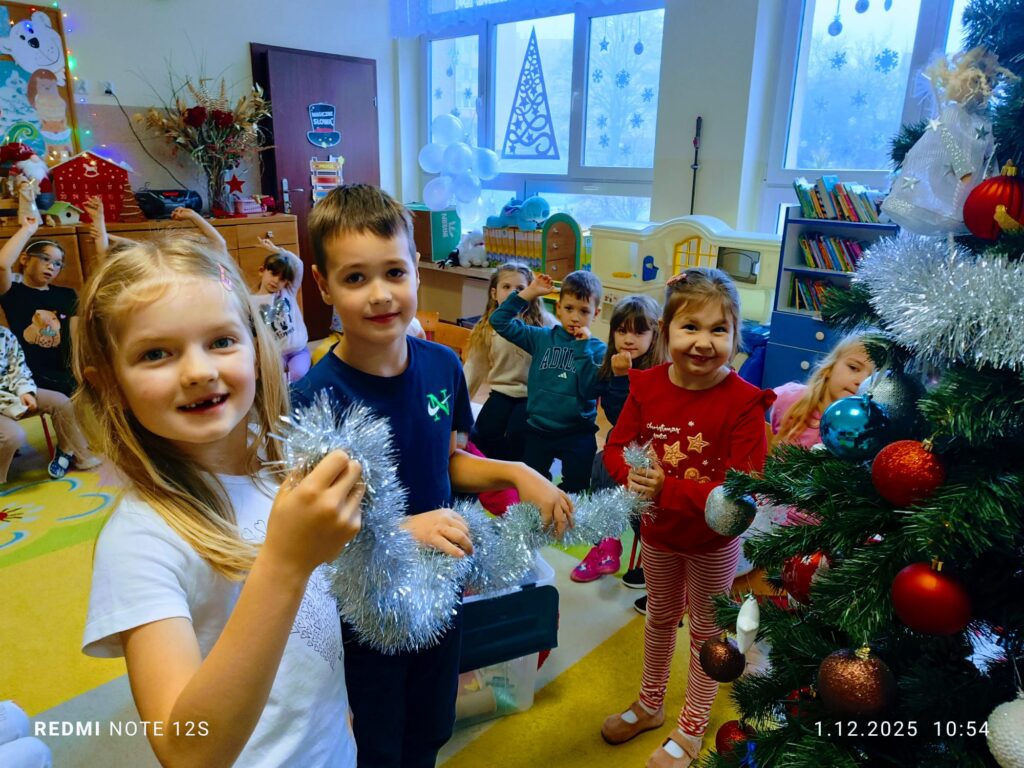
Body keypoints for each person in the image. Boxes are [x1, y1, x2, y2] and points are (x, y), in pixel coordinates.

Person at [292, 183, 573, 768]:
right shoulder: (314, 398)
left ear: (416, 269)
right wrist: (400, 532)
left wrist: (518, 473)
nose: (380, 295)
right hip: (366, 608)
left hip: (441, 590)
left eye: (394, 272)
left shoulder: (443, 365)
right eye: (354, 278)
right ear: (322, 286)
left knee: (431, 726)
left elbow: (447, 462)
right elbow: (310, 534)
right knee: (379, 739)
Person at [79, 237, 364, 767]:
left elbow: (310, 632)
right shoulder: (140, 542)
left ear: (256, 347)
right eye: (156, 353)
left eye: (221, 341)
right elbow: (188, 751)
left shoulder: (282, 460)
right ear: (109, 385)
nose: (198, 371)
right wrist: (284, 562)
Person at [599, 268, 775, 768]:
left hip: (713, 546)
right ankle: (651, 704)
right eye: (690, 327)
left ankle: (692, 727)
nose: (703, 342)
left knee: (706, 633)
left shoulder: (744, 403)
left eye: (718, 330)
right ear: (666, 331)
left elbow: (744, 490)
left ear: (736, 337)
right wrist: (627, 477)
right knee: (658, 618)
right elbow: (617, 447)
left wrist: (668, 487)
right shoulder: (645, 385)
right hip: (657, 533)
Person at [571, 294, 661, 587]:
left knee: (638, 498)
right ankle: (606, 543)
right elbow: (585, 391)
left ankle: (650, 559)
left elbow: (637, 420)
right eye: (622, 331)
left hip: (655, 450)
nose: (628, 339)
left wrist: (625, 378)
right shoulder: (613, 363)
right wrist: (586, 351)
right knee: (602, 463)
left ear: (655, 334)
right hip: (620, 444)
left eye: (638, 331)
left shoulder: (659, 372)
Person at [489, 269, 606, 493]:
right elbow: (499, 321)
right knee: (532, 488)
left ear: (595, 313)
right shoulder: (541, 337)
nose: (575, 317)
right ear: (558, 307)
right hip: (538, 429)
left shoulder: (598, 349)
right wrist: (530, 292)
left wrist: (582, 349)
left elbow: (590, 390)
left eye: (584, 311)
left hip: (577, 433)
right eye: (569, 308)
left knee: (577, 489)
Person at [463, 262, 554, 462]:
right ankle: (492, 478)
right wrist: (457, 408)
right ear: (494, 293)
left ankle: (516, 478)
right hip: (501, 393)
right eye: (507, 287)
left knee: (517, 434)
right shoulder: (486, 328)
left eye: (520, 289)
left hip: (531, 397)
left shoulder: (545, 324)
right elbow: (473, 370)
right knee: (483, 432)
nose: (514, 293)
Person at [0, 324, 99, 480]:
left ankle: (68, 451)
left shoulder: (5, 335)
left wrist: (24, 390)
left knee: (61, 402)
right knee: (14, 436)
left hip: (13, 392)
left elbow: (18, 368)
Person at [0, 218, 78, 396]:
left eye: (58, 263)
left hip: (68, 371)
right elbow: (2, 265)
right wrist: (27, 230)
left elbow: (77, 335)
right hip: (33, 374)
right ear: (25, 259)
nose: (51, 266)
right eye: (45, 259)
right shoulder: (13, 292)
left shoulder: (67, 294)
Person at [251, 237, 311, 382]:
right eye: (273, 274)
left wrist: (275, 249)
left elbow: (298, 264)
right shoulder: (251, 302)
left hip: (298, 350)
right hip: (275, 354)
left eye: (282, 279)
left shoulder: (288, 292)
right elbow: (253, 335)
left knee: (298, 373)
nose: (276, 281)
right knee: (271, 377)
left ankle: (288, 387)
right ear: (262, 271)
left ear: (286, 283)